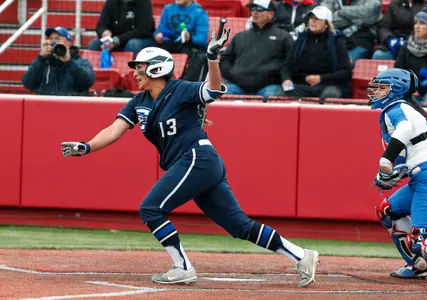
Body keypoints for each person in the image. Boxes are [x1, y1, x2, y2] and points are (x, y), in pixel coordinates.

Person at [60, 28, 319, 286]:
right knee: (239, 226)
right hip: (197, 164)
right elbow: (114, 130)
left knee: (151, 208)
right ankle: (301, 255)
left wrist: (212, 59)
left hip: (197, 158)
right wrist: (87, 146)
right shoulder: (137, 101)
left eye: (140, 67)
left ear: (156, 69)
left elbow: (213, 90)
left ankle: (182, 266)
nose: (135, 72)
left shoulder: (180, 89)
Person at [368, 68, 427, 287]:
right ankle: (418, 265)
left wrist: (386, 161)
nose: (376, 92)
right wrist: (393, 173)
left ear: (396, 89)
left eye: (382, 87)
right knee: (388, 210)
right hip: (425, 174)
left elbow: (403, 130)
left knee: (420, 236)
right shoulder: (408, 107)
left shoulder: (396, 107)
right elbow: (411, 153)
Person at [220, 0, 294, 99]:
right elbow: (225, 60)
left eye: (259, 9)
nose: (254, 12)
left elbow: (291, 62)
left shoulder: (283, 36)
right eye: (252, 9)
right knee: (222, 95)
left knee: (272, 97)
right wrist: (233, 74)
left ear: (271, 14)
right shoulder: (240, 36)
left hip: (269, 86)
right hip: (238, 85)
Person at [280, 5, 352, 100]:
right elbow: (286, 66)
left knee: (331, 94)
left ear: (326, 24)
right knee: (283, 92)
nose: (313, 21)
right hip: (302, 85)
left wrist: (321, 78)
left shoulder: (337, 42)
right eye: (311, 18)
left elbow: (346, 72)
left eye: (318, 19)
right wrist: (287, 80)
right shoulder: (301, 40)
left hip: (327, 85)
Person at [22, 26, 95, 96]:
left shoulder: (80, 62)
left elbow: (88, 81)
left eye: (57, 39)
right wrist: (41, 59)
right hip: (46, 105)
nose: (54, 41)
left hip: (71, 106)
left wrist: (69, 63)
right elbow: (28, 84)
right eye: (50, 38)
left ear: (69, 43)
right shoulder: (44, 63)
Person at [153, 0, 209, 81]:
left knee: (199, 55)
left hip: (189, 47)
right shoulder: (167, 9)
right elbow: (160, 30)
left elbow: (202, 39)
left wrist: (190, 38)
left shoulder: (200, 13)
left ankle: (186, 84)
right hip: (169, 44)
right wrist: (157, 35)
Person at [319, 0, 382, 66]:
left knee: (343, 64)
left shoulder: (374, 2)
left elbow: (368, 16)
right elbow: (325, 20)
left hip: (360, 40)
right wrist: (356, 18)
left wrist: (340, 11)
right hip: (332, 39)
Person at [88, 0, 156, 57]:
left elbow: (143, 30)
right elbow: (100, 26)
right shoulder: (111, 2)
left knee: (132, 44)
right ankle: (93, 72)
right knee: (95, 44)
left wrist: (117, 40)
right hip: (114, 40)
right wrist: (104, 32)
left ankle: (132, 72)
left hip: (140, 39)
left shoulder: (144, 2)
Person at [245, 0, 317, 40]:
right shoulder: (277, 6)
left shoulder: (313, 8)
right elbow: (251, 23)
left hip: (300, 41)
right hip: (275, 40)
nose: (255, 12)